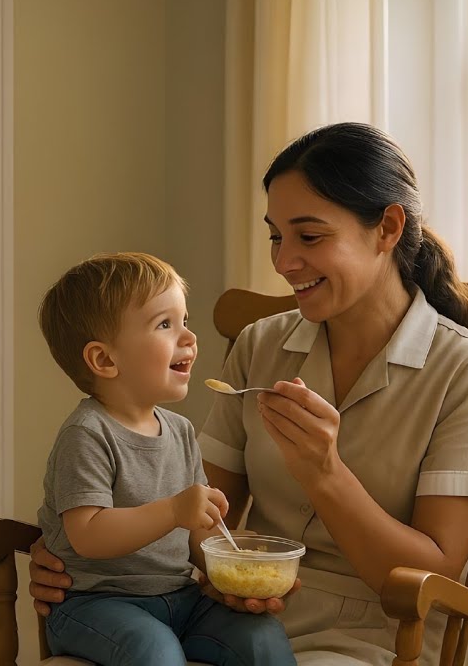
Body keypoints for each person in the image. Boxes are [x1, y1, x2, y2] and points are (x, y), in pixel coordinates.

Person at [29, 124, 468, 665]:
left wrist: (324, 472)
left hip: (377, 632)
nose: (284, 262)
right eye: (275, 236)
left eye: (308, 237)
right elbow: (197, 514)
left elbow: (424, 576)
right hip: (236, 611)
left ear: (388, 228)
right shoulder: (262, 343)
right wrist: (73, 552)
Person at [33, 253, 297, 666]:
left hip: (181, 598)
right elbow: (87, 534)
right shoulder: (86, 434)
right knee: (154, 651)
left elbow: (195, 536)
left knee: (261, 637)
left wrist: (231, 570)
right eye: (165, 324)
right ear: (104, 360)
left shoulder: (180, 431)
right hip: (95, 604)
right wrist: (174, 509)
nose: (189, 338)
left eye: (185, 320)